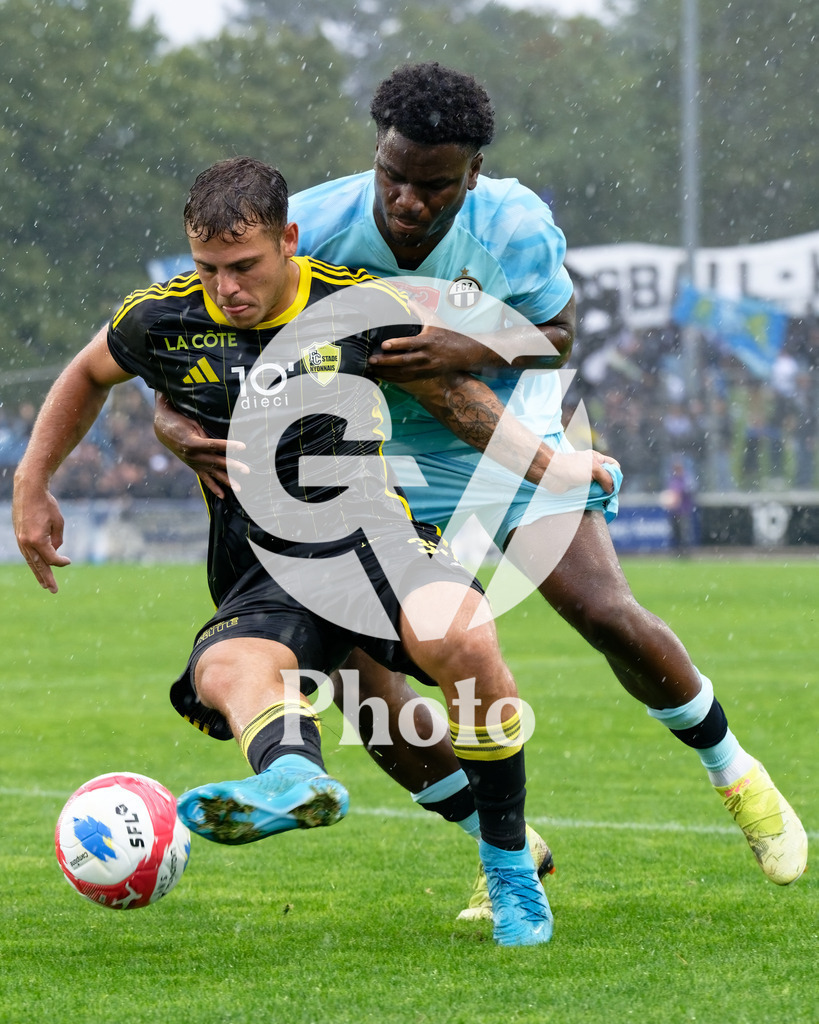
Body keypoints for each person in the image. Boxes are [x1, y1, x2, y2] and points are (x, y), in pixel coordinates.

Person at [155, 64, 807, 900]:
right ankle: (503, 848)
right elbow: (189, 351)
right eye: (395, 177)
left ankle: (738, 777)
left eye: (435, 186)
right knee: (360, 680)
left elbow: (559, 335)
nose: (408, 202)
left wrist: (466, 348)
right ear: (376, 156)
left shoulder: (516, 225)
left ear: (474, 175)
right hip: (375, 459)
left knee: (601, 610)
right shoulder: (308, 225)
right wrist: (176, 429)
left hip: (505, 430)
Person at [12, 157, 625, 947]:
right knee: (226, 668)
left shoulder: (356, 306)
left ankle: (509, 868)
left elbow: (456, 400)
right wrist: (34, 483)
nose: (225, 288)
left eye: (244, 267)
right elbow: (89, 371)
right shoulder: (161, 318)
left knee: (465, 636)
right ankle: (292, 777)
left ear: (288, 241)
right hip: (260, 566)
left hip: (371, 542)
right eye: (207, 270)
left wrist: (553, 465)